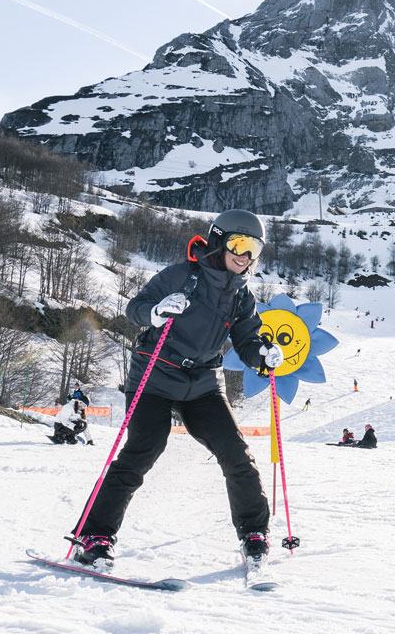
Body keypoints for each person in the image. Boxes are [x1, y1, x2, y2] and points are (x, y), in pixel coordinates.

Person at [68, 209, 282, 572]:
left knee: (236, 453)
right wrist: (156, 312)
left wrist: (263, 355)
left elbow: (246, 340)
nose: (245, 256)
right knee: (144, 449)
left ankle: (254, 534)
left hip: (202, 383)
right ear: (218, 240)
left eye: (254, 249)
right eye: (239, 244)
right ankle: (95, 536)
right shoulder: (182, 275)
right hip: (154, 375)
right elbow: (136, 308)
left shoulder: (242, 296)